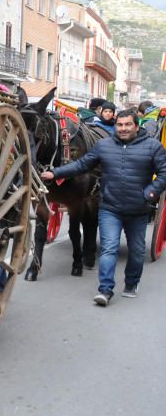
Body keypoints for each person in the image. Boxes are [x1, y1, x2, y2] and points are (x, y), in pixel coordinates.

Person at [41, 110, 166, 305]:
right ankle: (105, 290)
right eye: (120, 125)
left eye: (127, 125)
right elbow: (82, 165)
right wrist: (55, 173)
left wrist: (150, 193)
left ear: (136, 125)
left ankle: (132, 283)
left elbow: (164, 173)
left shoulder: (153, 147)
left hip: (138, 209)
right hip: (110, 207)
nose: (123, 128)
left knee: (137, 250)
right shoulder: (104, 145)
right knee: (109, 249)